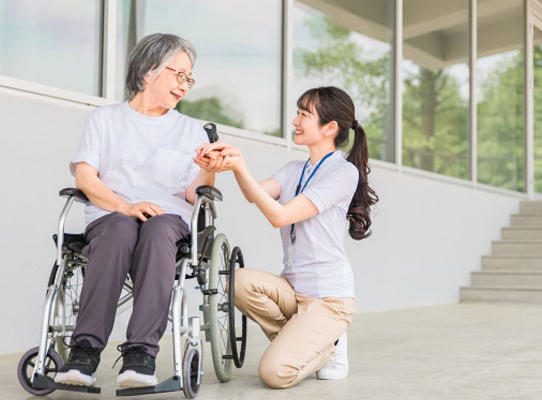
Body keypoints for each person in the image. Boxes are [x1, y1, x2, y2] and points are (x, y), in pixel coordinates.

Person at [54, 33, 217, 389]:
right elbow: (85, 176)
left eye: (189, 78)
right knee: (119, 229)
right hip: (110, 216)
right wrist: (124, 206)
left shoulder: (192, 131)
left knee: (158, 230)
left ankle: (140, 355)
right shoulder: (105, 119)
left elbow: (194, 193)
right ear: (147, 72)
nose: (184, 85)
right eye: (179, 75)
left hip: (167, 223)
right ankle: (84, 352)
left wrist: (209, 167)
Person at [195, 86, 378, 389]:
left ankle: (328, 343)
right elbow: (253, 194)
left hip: (328, 298)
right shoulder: (294, 169)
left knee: (274, 374)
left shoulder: (343, 174)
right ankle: (308, 338)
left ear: (329, 128)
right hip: (293, 291)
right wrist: (233, 163)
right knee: (236, 281)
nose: (295, 121)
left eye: (304, 115)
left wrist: (239, 166)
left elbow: (280, 216)